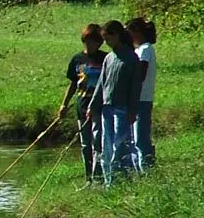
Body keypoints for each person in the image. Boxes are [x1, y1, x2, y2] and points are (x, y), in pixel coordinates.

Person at [86, 20, 143, 186]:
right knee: (107, 146)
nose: (106, 42)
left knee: (120, 145)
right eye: (104, 38)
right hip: (107, 107)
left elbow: (135, 86)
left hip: (123, 108)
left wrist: (133, 109)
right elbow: (101, 84)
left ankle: (122, 180)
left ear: (117, 35)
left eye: (108, 37)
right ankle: (109, 182)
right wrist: (92, 106)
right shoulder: (109, 58)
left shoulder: (131, 57)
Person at [57, 24, 107, 186]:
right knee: (86, 144)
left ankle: (98, 176)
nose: (90, 45)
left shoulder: (106, 58)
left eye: (93, 42)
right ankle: (88, 178)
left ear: (100, 43)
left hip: (100, 107)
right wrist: (64, 105)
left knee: (98, 142)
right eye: (87, 41)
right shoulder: (77, 59)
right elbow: (73, 84)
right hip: (82, 105)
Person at [127, 17, 158, 168]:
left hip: (142, 98)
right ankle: (138, 168)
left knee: (141, 138)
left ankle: (147, 169)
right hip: (135, 99)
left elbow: (141, 73)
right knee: (133, 139)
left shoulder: (145, 49)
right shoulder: (138, 49)